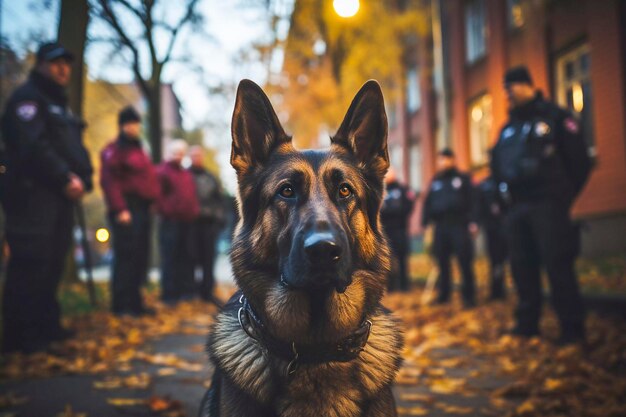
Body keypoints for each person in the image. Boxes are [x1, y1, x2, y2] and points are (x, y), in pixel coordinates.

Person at [0, 42, 93, 353]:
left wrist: (83, 178)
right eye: (55, 63)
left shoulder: (60, 105)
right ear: (40, 64)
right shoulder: (27, 99)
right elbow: (33, 146)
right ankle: (20, 335)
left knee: (53, 261)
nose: (63, 68)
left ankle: (45, 327)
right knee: (30, 263)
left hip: (60, 197)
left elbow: (72, 148)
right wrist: (65, 176)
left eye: (67, 63)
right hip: (32, 196)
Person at [491, 66, 592, 345]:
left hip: (548, 205)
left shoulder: (555, 117)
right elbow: (497, 167)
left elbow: (579, 162)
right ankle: (527, 325)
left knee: (558, 265)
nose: (508, 94)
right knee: (522, 267)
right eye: (506, 89)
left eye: (511, 87)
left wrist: (562, 195)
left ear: (526, 85)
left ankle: (572, 330)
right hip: (517, 208)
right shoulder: (508, 129)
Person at [100, 106, 160, 316]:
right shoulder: (114, 150)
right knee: (125, 258)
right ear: (122, 125)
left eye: (136, 123)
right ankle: (121, 305)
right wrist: (120, 209)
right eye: (130, 123)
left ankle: (135, 303)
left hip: (142, 209)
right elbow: (110, 181)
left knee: (139, 258)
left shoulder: (139, 149)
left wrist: (151, 201)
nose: (134, 127)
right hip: (126, 209)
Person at [422, 149, 477, 308]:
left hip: (459, 224)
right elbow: (428, 203)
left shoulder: (463, 179)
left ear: (452, 160)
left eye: (446, 159)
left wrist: (473, 221)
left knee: (464, 260)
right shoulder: (436, 181)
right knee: (442, 262)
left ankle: (469, 296)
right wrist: (426, 223)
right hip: (440, 226)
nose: (443, 162)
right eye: (440, 160)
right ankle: (444, 294)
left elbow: (473, 202)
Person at [156, 139, 199, 304]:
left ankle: (184, 292)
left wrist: (193, 211)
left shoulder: (185, 173)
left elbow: (191, 196)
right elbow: (158, 196)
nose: (178, 156)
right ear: (169, 153)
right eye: (175, 153)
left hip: (187, 221)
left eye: (181, 154)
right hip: (170, 221)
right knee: (170, 257)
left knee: (185, 257)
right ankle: (169, 294)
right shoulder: (162, 172)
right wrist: (168, 211)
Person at [188, 146, 226, 303]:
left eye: (199, 155)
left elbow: (220, 200)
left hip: (209, 225)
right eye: (194, 155)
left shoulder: (211, 177)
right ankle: (191, 291)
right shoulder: (185, 176)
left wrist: (218, 218)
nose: (197, 158)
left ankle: (207, 291)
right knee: (191, 258)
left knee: (208, 259)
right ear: (190, 157)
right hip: (190, 224)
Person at [380, 167, 415, 292]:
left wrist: (391, 211)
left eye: (390, 172)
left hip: (400, 230)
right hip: (385, 231)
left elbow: (408, 206)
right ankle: (391, 286)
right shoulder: (381, 190)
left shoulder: (403, 189)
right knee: (388, 259)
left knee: (402, 258)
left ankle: (405, 285)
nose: (388, 175)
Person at [475, 175, 508, 300]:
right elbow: (478, 205)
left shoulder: (507, 179)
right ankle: (497, 290)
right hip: (492, 227)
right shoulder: (484, 185)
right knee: (495, 260)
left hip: (509, 223)